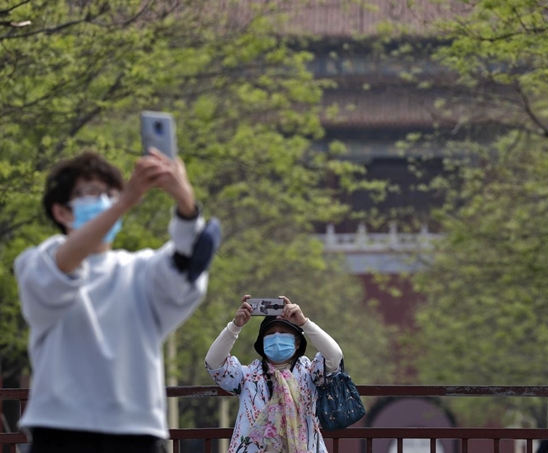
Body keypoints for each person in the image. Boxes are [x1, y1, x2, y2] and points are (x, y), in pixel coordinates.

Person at [14, 149, 219, 453]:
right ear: (61, 211)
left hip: (136, 431)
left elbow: (184, 267)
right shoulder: (37, 262)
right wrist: (124, 201)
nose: (105, 201)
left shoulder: (140, 270)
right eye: (91, 192)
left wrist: (186, 204)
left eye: (110, 193)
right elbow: (59, 271)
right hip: (59, 430)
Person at [205, 295, 343, 453]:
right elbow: (213, 362)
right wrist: (235, 326)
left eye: (284, 332)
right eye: (270, 334)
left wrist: (304, 323)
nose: (277, 337)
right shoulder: (247, 376)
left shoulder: (310, 373)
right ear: (262, 343)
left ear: (297, 342)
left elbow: (334, 356)